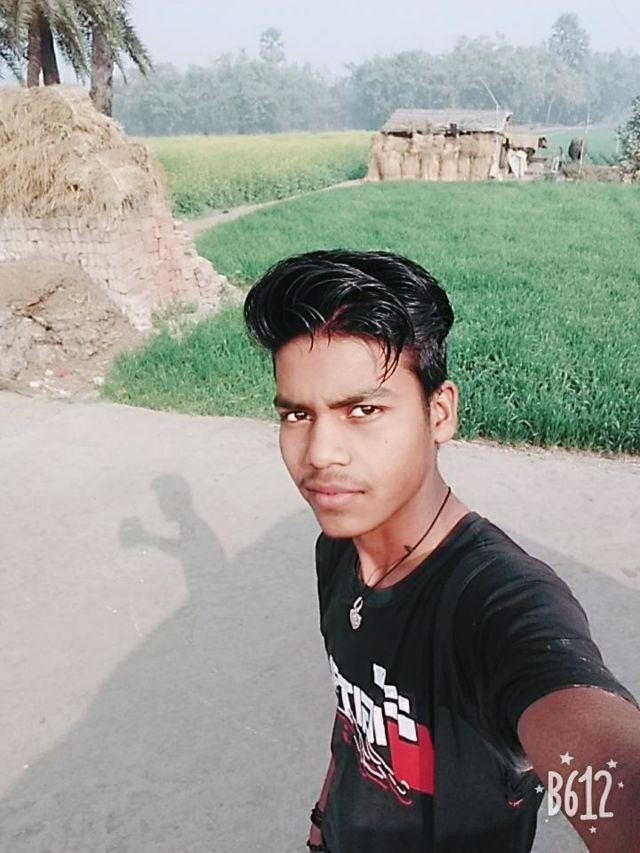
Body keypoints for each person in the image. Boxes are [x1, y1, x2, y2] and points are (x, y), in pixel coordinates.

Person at [241, 249, 640, 853]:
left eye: (363, 410)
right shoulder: (339, 551)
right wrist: (324, 819)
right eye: (297, 413)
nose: (320, 452)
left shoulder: (499, 602)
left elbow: (597, 757)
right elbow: (354, 723)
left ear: (440, 412)